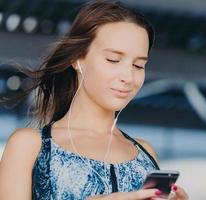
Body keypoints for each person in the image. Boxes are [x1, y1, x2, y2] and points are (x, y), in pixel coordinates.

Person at [0, 0, 188, 199]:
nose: (129, 77)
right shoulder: (30, 146)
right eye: (113, 60)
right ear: (77, 59)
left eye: (139, 65)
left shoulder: (144, 153)